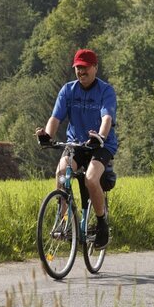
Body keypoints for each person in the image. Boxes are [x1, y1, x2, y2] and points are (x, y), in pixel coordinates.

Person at [35, 48, 117, 250]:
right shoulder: (68, 90)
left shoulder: (105, 91)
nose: (81, 72)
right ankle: (63, 219)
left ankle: (101, 224)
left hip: (100, 144)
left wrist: (101, 137)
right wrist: (47, 135)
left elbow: (107, 117)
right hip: (76, 144)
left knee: (90, 179)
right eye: (78, 68)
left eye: (85, 68)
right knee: (62, 172)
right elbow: (55, 118)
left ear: (95, 68)